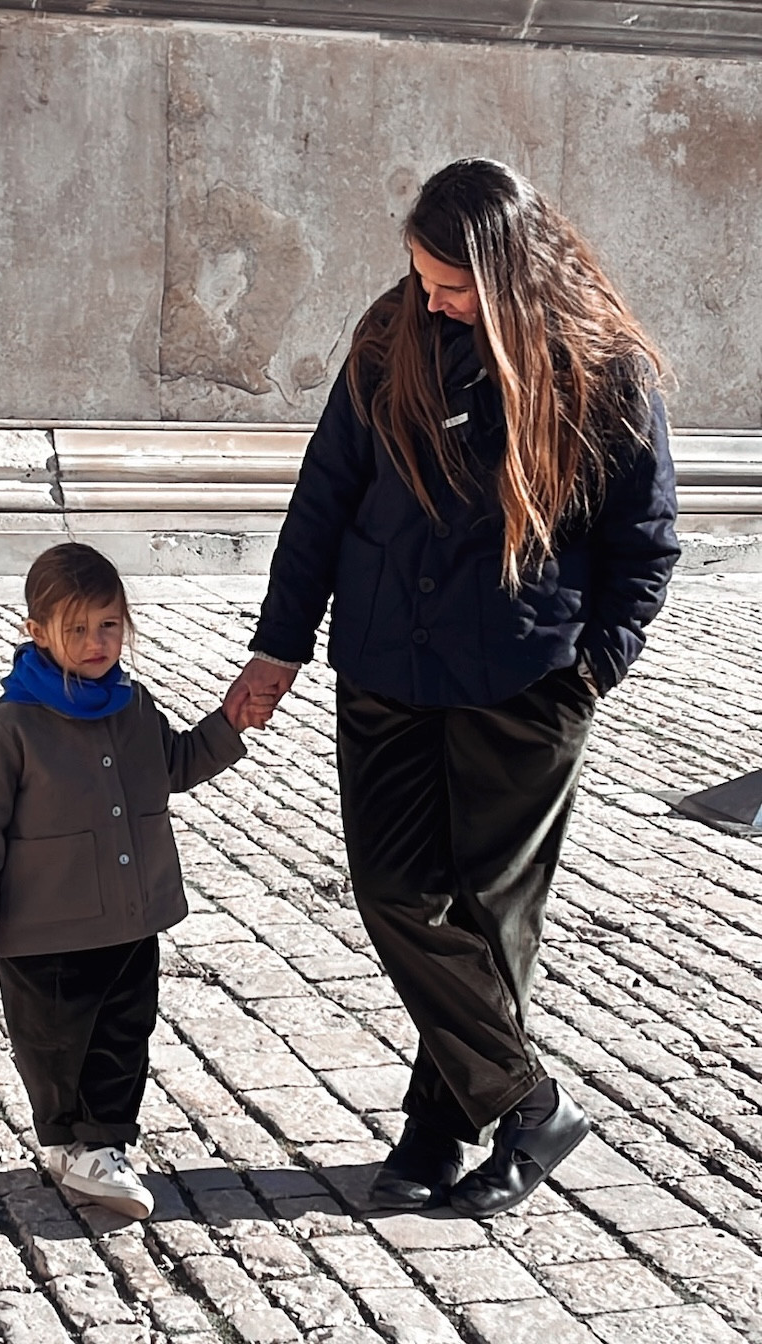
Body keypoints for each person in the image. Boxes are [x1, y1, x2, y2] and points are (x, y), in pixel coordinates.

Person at [225, 158, 680, 1218]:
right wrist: (277, 646)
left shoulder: (603, 367)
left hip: (523, 679)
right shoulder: (390, 338)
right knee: (393, 890)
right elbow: (325, 493)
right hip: (384, 660)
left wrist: (593, 667)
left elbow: (645, 540)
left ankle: (438, 1130)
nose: (428, 299)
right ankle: (529, 1104)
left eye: (451, 286)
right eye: (422, 278)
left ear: (511, 275)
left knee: (490, 914)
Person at [0, 542, 270, 1219]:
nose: (97, 643)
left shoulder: (131, 704)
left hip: (128, 918)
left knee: (124, 1031)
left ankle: (106, 1142)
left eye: (109, 625)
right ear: (38, 634)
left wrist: (229, 724)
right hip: (46, 928)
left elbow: (173, 765)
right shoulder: (14, 725)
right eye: (77, 629)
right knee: (58, 1039)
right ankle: (69, 1140)